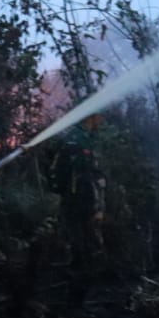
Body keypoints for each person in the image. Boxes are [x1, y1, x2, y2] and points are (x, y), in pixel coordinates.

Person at [49, 112, 107, 307]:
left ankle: (78, 300)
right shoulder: (76, 141)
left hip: (85, 207)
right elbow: (76, 178)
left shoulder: (86, 139)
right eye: (100, 117)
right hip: (79, 209)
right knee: (81, 253)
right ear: (91, 117)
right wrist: (91, 206)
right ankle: (73, 304)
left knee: (88, 253)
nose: (102, 120)